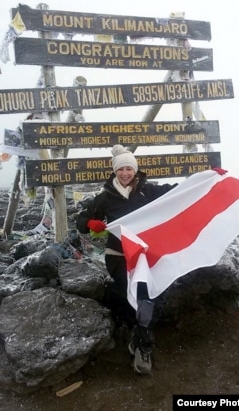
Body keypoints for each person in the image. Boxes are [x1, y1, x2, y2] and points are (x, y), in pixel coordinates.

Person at [76, 144, 178, 375]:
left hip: (144, 257)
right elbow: (82, 219)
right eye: (120, 169)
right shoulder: (105, 198)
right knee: (141, 293)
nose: (125, 173)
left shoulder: (147, 191)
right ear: (114, 171)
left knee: (148, 296)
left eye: (129, 169)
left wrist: (209, 177)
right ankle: (144, 347)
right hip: (118, 257)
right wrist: (91, 223)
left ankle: (137, 337)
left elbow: (178, 192)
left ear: (135, 170)